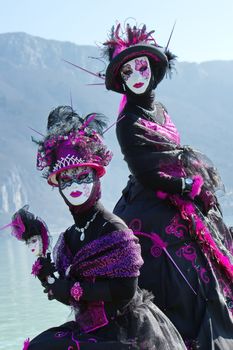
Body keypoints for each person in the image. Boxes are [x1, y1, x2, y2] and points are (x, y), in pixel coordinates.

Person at [103, 22, 233, 349]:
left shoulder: (159, 108)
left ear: (153, 69)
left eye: (142, 66)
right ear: (120, 78)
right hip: (151, 202)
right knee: (177, 261)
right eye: (128, 70)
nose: (136, 75)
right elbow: (147, 173)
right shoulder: (127, 122)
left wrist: (196, 186)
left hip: (180, 189)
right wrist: (189, 185)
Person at [21, 106, 186, 350]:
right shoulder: (70, 237)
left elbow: (125, 291)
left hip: (126, 333)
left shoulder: (114, 230)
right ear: (57, 184)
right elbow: (80, 300)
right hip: (91, 330)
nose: (75, 185)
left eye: (82, 175)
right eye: (66, 178)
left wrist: (73, 289)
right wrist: (53, 283)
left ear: (96, 176)